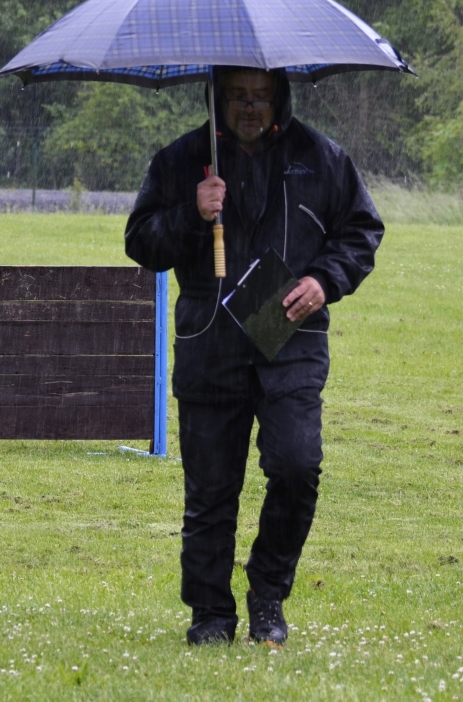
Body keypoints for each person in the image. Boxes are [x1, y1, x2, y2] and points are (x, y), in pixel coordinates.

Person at [125, 67, 383, 647]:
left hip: (289, 334)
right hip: (208, 336)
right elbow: (141, 242)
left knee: (297, 467)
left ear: (279, 96)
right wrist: (192, 212)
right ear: (217, 96)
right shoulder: (180, 159)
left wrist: (324, 279)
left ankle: (268, 593)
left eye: (259, 95)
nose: (247, 107)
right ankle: (211, 614)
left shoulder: (323, 158)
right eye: (236, 96)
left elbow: (362, 231)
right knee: (211, 492)